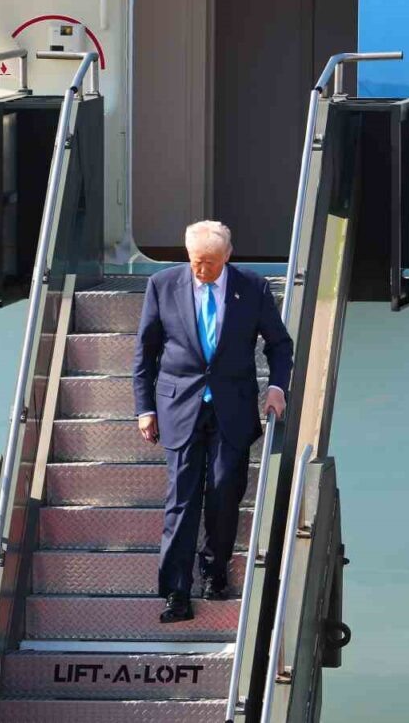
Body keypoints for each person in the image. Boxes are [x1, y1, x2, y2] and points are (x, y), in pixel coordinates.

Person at [133, 221, 293, 622]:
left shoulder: (252, 288)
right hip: (179, 407)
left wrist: (277, 388)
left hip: (232, 407)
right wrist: (144, 408)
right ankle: (176, 591)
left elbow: (279, 344)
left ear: (228, 256)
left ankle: (215, 570)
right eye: (196, 261)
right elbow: (145, 351)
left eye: (211, 263)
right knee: (181, 501)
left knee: (224, 492)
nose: (202, 270)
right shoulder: (163, 285)